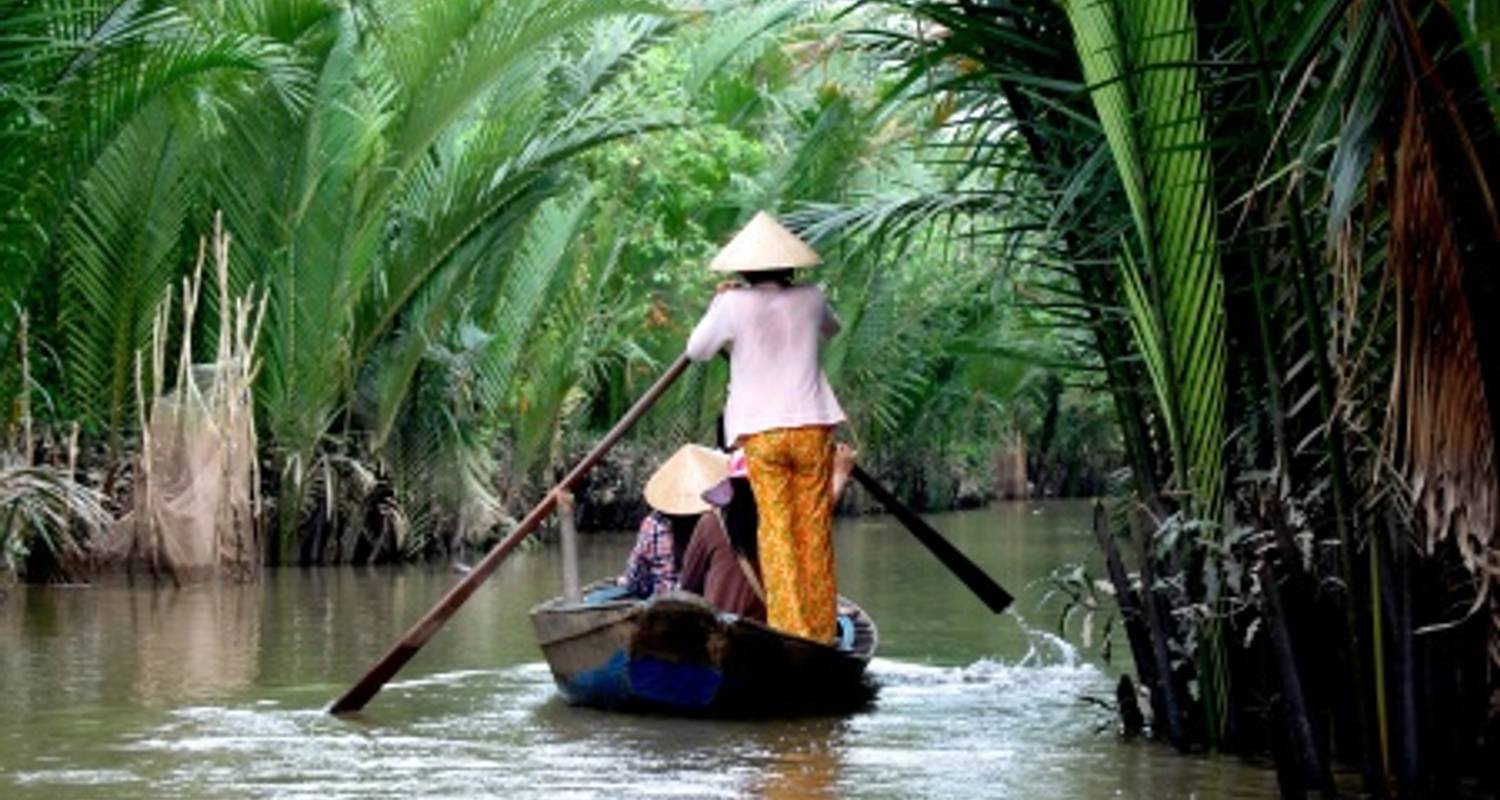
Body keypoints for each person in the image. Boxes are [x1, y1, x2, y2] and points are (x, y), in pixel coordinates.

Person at [684, 210, 847, 643]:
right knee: (813, 528)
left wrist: (720, 306)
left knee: (776, 530)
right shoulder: (812, 298)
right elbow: (833, 328)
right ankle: (820, 633)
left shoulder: (732, 304)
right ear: (790, 265)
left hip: (763, 434)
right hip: (813, 427)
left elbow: (697, 350)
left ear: (743, 269)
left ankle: (790, 633)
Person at [678, 444, 858, 623]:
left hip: (720, 636)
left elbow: (689, 585)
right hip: (770, 637)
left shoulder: (711, 523)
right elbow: (820, 515)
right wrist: (840, 474)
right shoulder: (785, 524)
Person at [616, 444, 729, 598]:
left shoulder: (653, 524)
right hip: (705, 608)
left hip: (663, 608)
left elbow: (635, 578)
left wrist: (627, 582)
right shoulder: (718, 524)